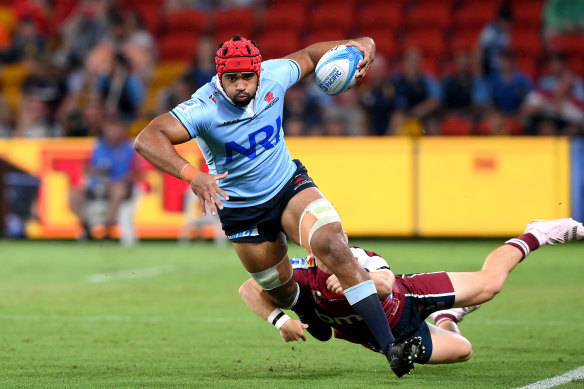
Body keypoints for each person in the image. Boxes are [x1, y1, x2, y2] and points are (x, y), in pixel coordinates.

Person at [133, 34, 410, 375]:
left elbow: (310, 55)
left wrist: (362, 44)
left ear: (258, 73)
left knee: (334, 245)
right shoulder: (202, 107)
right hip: (242, 210)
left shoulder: (275, 74)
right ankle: (308, 312)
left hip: (287, 187)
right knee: (279, 292)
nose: (239, 86)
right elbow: (146, 139)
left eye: (246, 77)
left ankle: (390, 346)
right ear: (219, 77)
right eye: (231, 78)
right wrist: (193, 175)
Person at [239, 218, 584, 377]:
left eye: (341, 241)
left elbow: (387, 283)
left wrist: (357, 282)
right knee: (464, 351)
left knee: (490, 285)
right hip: (394, 338)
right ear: (313, 251)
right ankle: (450, 318)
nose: (339, 249)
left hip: (410, 297)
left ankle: (537, 233)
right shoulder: (302, 271)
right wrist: (280, 320)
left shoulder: (358, 258)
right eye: (330, 246)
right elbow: (249, 287)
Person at [70, 112, 137, 240]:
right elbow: (87, 168)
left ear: (122, 128)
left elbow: (136, 173)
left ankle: (107, 229)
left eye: (115, 126)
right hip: (97, 186)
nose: (112, 130)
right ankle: (87, 227)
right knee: (73, 195)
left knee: (118, 190)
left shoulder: (129, 148)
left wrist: (120, 180)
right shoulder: (98, 146)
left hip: (117, 186)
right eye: (109, 126)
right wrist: (95, 171)